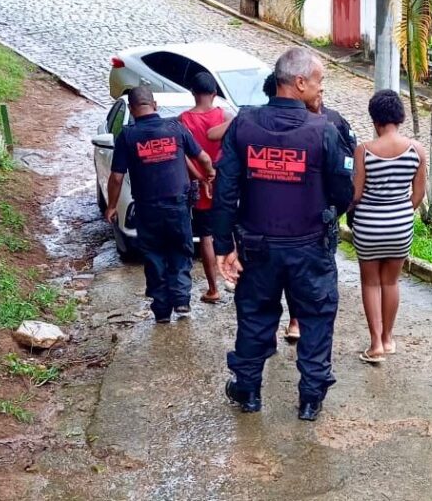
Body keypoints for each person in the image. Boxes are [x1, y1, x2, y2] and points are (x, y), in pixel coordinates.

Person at [212, 48, 354, 421]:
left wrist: (224, 245)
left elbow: (225, 188)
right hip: (309, 246)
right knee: (316, 317)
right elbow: (343, 190)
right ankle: (310, 398)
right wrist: (325, 215)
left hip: (258, 245)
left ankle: (248, 390)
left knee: (255, 316)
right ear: (300, 82)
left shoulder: (243, 125)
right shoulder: (323, 130)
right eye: (320, 81)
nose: (322, 88)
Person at [259, 70, 358, 344]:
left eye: (322, 88)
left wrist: (338, 208)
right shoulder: (277, 124)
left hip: (321, 216)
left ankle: (300, 320)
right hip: (281, 219)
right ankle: (294, 319)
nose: (320, 92)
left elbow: (349, 164)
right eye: (318, 86)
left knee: (314, 276)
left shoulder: (334, 121)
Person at [106, 86, 215, 324]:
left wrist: (112, 206)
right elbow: (204, 158)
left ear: (133, 110)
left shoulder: (128, 135)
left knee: (154, 257)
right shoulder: (176, 128)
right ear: (154, 105)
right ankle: (182, 301)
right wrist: (208, 176)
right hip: (178, 206)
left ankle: (162, 311)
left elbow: (116, 177)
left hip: (147, 209)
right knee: (180, 251)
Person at [350, 90, 426, 363]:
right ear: (400, 116)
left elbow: (356, 194)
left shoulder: (364, 151)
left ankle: (375, 345)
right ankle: (389, 339)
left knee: (370, 283)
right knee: (391, 281)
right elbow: (418, 194)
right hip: (400, 224)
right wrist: (402, 210)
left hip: (368, 225)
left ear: (375, 119)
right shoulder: (417, 150)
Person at [179, 72, 229, 303]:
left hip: (199, 185)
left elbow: (184, 157)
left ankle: (213, 289)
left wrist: (200, 177)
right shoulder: (224, 116)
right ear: (214, 93)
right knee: (232, 235)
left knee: (206, 237)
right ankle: (237, 280)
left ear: (192, 92)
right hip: (223, 182)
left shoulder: (184, 121)